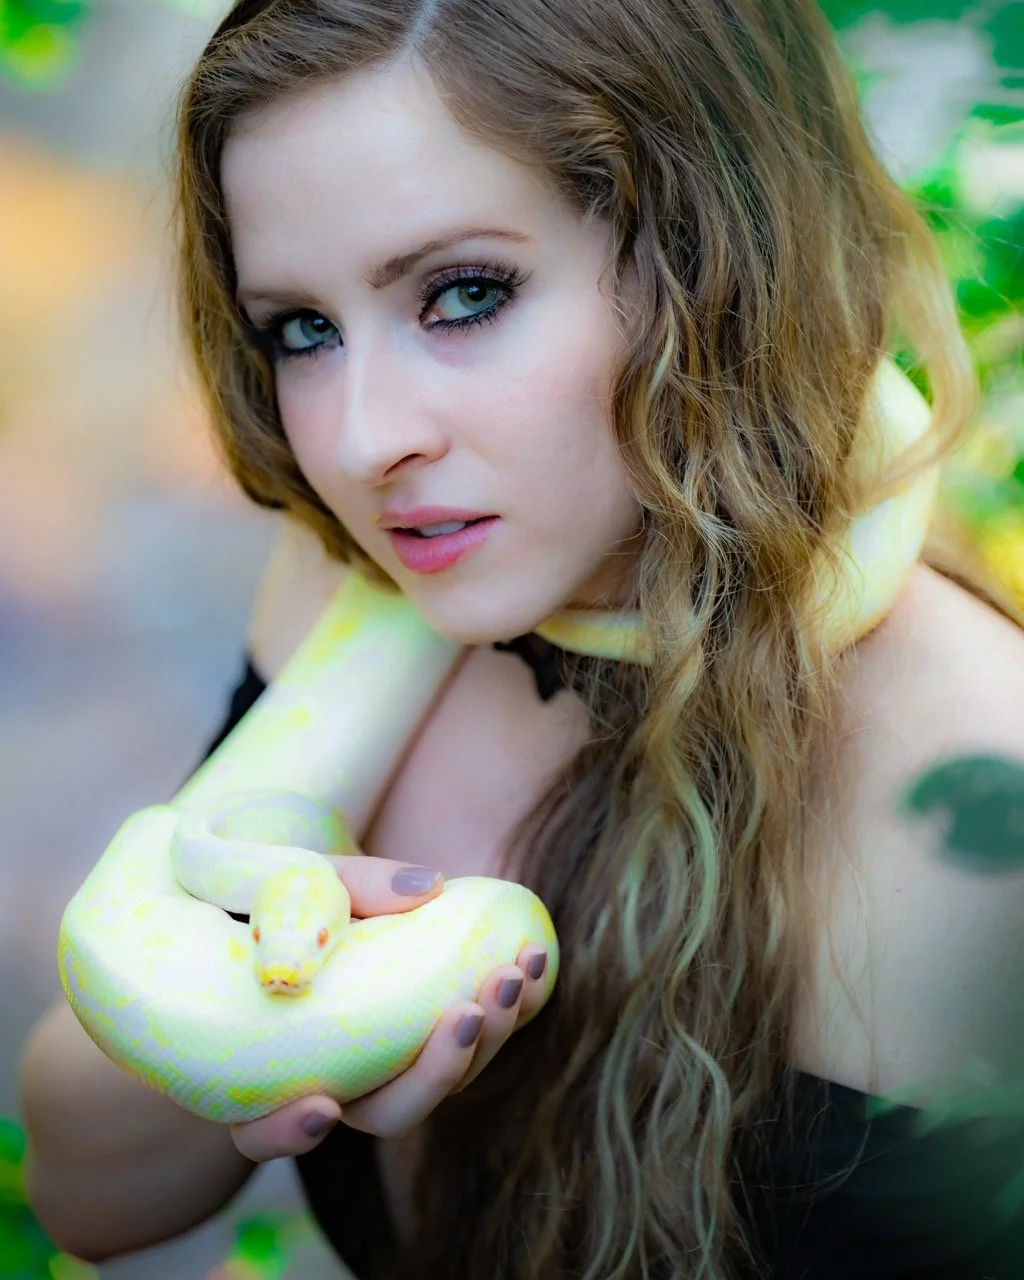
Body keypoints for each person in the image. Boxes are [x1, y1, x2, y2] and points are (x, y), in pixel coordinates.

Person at [18, 0, 1024, 1276]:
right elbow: (88, 1198)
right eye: (303, 329)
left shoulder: (982, 813)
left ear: (717, 255)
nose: (362, 439)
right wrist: (255, 1044)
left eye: (465, 293)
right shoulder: (359, 587)